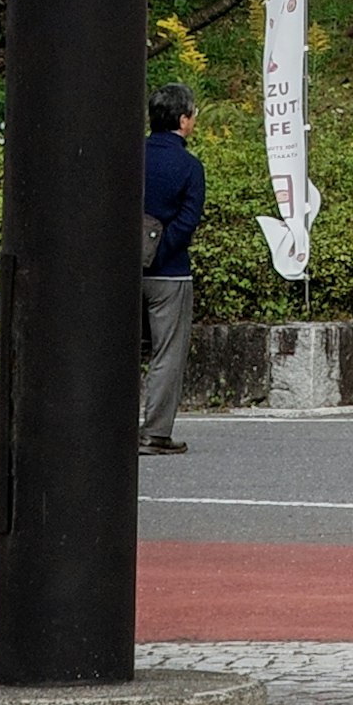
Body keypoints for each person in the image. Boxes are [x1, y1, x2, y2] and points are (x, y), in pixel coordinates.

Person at [139, 85, 205, 455]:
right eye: (193, 114)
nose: (194, 120)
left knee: (116, 349)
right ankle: (155, 432)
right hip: (170, 272)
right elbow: (187, 221)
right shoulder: (190, 167)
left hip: (121, 270)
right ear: (182, 120)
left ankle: (107, 426)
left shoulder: (129, 157)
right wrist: (159, 252)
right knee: (167, 353)